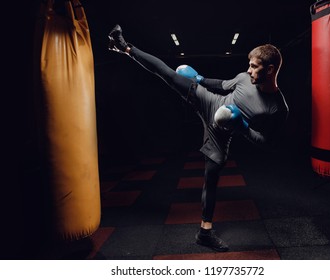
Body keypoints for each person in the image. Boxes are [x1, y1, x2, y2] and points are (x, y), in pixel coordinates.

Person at [108, 24, 289, 252]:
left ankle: (204, 232)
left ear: (270, 70)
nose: (249, 70)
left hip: (222, 132)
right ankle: (123, 46)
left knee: (211, 177)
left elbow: (266, 142)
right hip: (210, 101)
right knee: (170, 75)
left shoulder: (278, 109)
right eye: (249, 66)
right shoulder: (244, 78)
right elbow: (222, 86)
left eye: (254, 67)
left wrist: (241, 126)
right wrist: (200, 78)